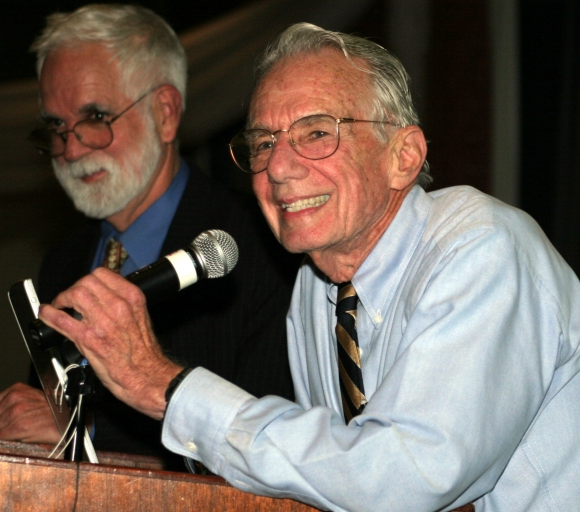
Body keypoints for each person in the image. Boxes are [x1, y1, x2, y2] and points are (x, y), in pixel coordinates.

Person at [36, 22, 580, 512]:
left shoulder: (481, 246)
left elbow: (406, 478)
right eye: (263, 142)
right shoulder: (314, 289)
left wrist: (166, 387)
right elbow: (329, 482)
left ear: (404, 156)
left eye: (316, 133)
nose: (277, 166)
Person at [0, 4, 298, 471]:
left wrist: (79, 429)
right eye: (55, 126)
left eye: (95, 117)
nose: (70, 148)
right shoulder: (62, 265)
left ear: (165, 113)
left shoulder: (260, 249)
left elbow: (275, 444)